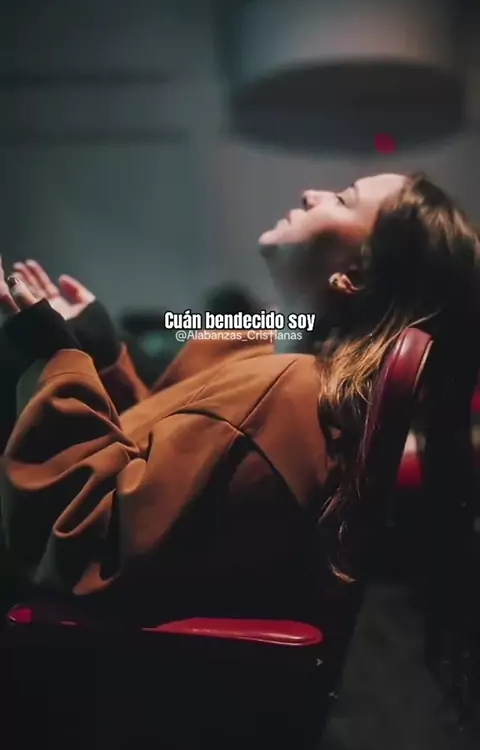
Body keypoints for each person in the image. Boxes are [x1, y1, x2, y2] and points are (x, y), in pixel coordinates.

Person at [0, 172, 479, 630]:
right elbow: (166, 458)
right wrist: (101, 353)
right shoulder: (265, 351)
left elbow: (87, 543)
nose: (312, 194)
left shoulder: (290, 393)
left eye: (342, 199)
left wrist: (52, 359)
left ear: (354, 274)